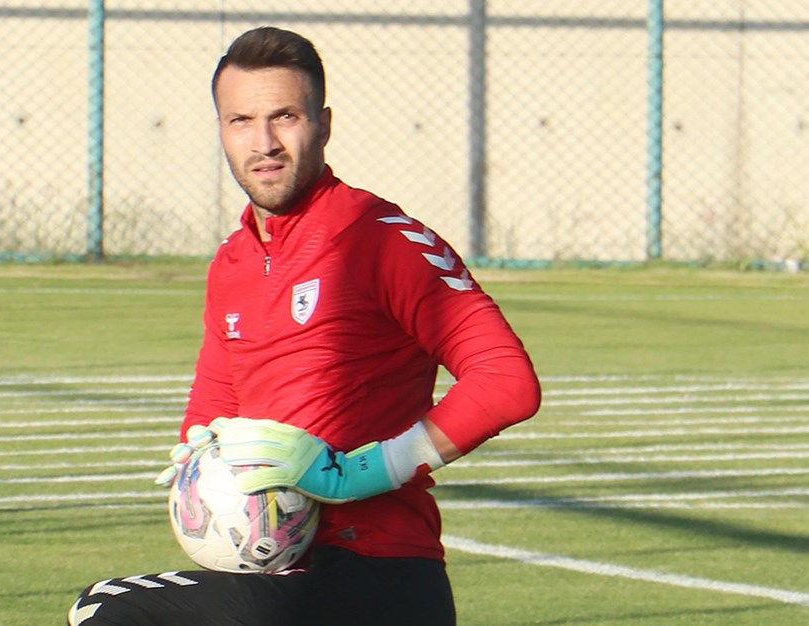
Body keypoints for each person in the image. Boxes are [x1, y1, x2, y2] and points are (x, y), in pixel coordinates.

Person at [68, 26, 540, 626]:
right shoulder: (231, 264)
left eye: (284, 116)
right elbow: (213, 413)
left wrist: (355, 474)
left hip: (378, 574)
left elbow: (506, 382)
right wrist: (202, 469)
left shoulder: (380, 239)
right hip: (277, 574)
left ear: (323, 124)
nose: (264, 142)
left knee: (104, 608)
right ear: (222, 132)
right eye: (241, 121)